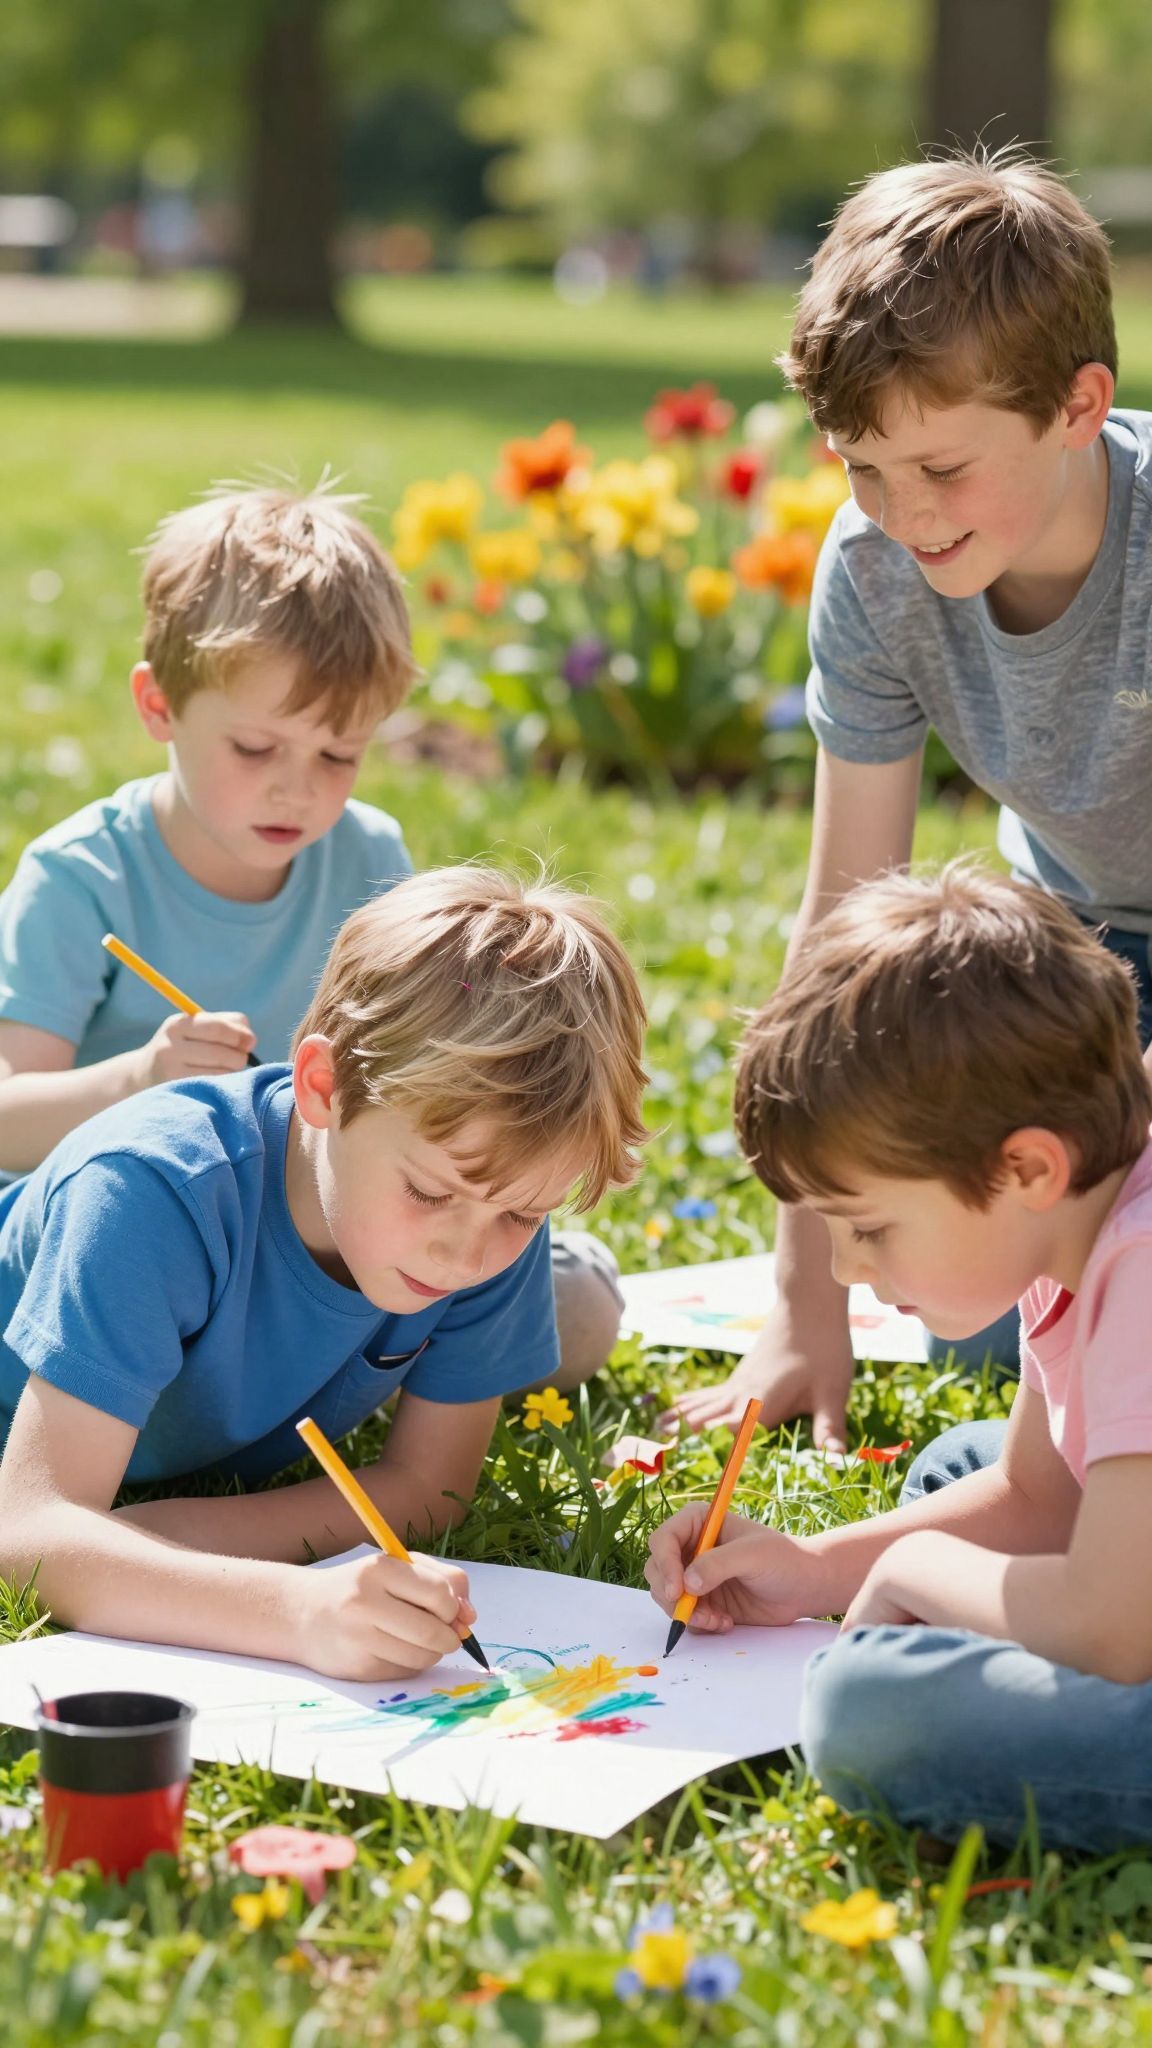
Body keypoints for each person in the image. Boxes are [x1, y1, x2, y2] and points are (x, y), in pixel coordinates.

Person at [663, 148, 1152, 1448]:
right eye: (861, 467)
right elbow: (842, 921)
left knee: (1104, 1281)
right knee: (975, 1296)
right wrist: (802, 1304)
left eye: (942, 468)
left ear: (1079, 405)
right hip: (1076, 951)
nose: (902, 513)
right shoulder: (875, 569)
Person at [0, 485, 623, 1387]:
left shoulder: (368, 851)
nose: (299, 790)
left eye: (339, 756)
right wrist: (137, 1080)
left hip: (321, 1241)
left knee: (575, 1308)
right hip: (121, 1252)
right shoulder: (82, 878)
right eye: (257, 750)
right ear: (159, 706)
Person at [0, 865, 648, 1683]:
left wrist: (146, 1543)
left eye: (523, 1214)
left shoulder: (488, 1197)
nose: (469, 1256)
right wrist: (294, 1611)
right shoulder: (149, 1192)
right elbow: (27, 1532)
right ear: (323, 1087)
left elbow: (431, 1487)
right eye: (428, 1191)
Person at [648, 864, 1152, 1851]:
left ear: (1026, 1167)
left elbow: (1112, 1628)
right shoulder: (1081, 1205)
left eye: (870, 1227)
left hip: (1124, 1615)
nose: (845, 1267)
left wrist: (917, 1562)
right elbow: (1035, 1497)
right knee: (960, 1464)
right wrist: (813, 1566)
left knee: (869, 1711)